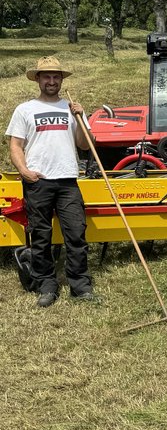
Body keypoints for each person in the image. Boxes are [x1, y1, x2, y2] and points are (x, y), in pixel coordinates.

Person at [5, 56, 95, 307]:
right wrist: (24, 171)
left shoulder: (72, 108)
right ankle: (46, 285)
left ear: (62, 80)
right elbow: (15, 145)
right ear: (38, 79)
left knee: (76, 233)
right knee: (41, 236)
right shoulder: (25, 109)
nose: (52, 81)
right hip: (38, 182)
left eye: (56, 76)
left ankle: (80, 286)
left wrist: (81, 119)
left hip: (67, 180)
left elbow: (85, 145)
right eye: (47, 76)